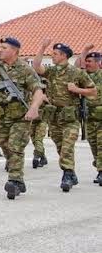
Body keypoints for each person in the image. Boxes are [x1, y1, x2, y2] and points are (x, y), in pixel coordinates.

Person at [0, 35, 45, 200]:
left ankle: (14, 180)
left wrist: (34, 107)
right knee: (4, 144)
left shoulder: (25, 69)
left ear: (15, 51)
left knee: (15, 146)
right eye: (0, 47)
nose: (0, 50)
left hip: (20, 116)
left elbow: (38, 90)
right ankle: (18, 178)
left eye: (4, 48)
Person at [33, 40, 96, 192]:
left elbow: (93, 92)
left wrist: (77, 90)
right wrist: (42, 47)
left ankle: (67, 174)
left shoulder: (77, 73)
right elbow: (36, 66)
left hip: (70, 118)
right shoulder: (52, 71)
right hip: (54, 117)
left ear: (64, 56)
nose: (52, 56)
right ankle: (71, 173)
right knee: (61, 147)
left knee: (67, 146)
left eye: (55, 54)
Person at [75, 47, 102, 185]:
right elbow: (76, 68)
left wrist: (77, 90)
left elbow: (95, 92)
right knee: (94, 146)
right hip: (90, 117)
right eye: (86, 61)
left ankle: (101, 172)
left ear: (98, 63)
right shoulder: (85, 76)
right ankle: (99, 167)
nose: (87, 64)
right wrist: (84, 51)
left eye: (90, 61)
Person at [30, 77, 49, 169]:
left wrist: (47, 100)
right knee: (34, 139)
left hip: (43, 120)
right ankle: (43, 157)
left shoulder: (48, 94)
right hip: (33, 120)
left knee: (38, 139)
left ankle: (36, 157)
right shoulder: (32, 93)